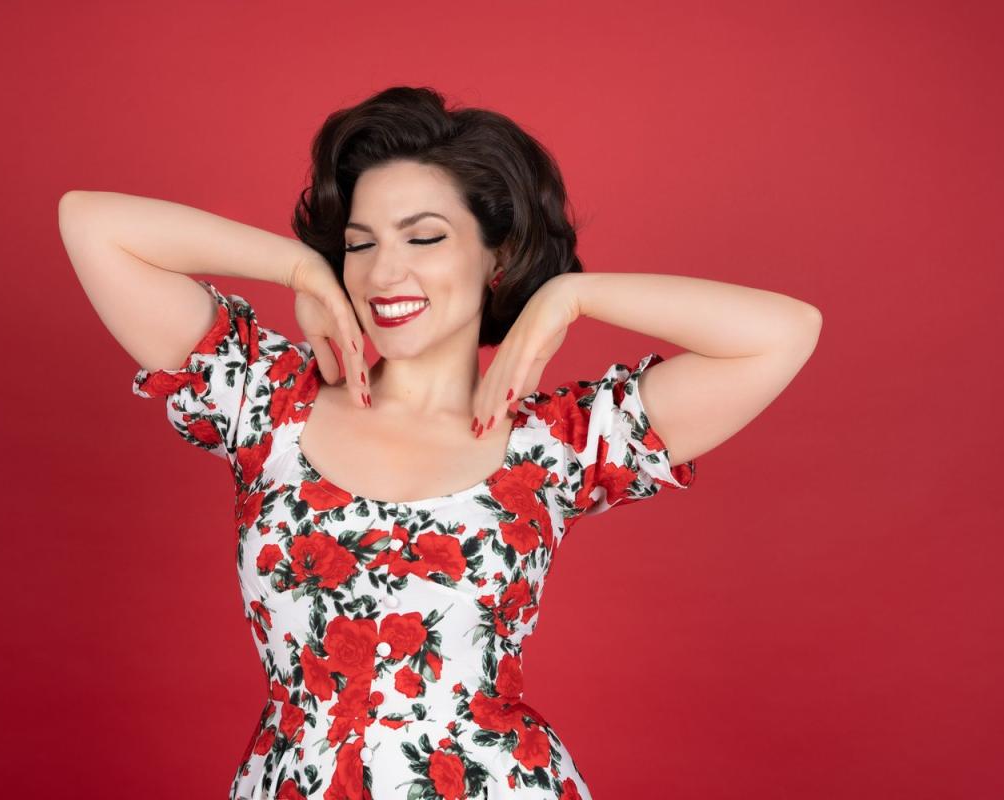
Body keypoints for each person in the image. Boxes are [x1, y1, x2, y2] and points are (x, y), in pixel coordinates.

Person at [58, 86, 821, 800]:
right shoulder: (265, 401)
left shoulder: (558, 443)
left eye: (424, 237)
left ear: (496, 255)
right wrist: (296, 266)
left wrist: (571, 296)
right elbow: (90, 222)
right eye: (360, 244)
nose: (387, 270)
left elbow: (783, 333)